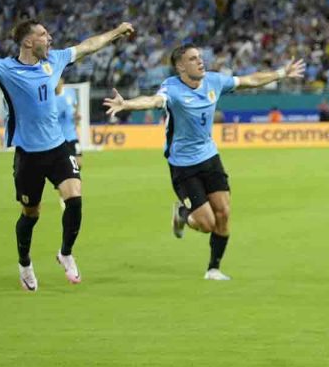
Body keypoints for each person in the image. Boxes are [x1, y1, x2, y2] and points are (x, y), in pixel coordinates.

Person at [0, 19, 135, 291]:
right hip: (28, 155)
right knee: (31, 213)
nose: (49, 38)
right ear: (28, 42)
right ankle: (25, 262)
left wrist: (117, 32)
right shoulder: (6, 69)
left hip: (58, 148)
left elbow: (88, 46)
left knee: (74, 198)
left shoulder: (55, 60)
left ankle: (65, 252)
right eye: (43, 34)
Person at [104, 44, 305, 281]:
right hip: (183, 165)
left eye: (200, 57)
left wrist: (281, 73)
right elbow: (153, 100)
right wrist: (127, 104)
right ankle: (182, 214)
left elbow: (249, 80)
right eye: (193, 59)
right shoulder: (172, 88)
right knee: (207, 223)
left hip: (209, 157)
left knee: (224, 212)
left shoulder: (214, 81)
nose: (200, 62)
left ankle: (213, 269)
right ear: (180, 67)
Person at [55, 77, 83, 169]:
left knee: (79, 164)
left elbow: (75, 106)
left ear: (62, 82)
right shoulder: (51, 99)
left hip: (72, 136)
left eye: (59, 83)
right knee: (64, 166)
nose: (57, 85)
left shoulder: (70, 92)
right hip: (59, 138)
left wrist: (77, 115)